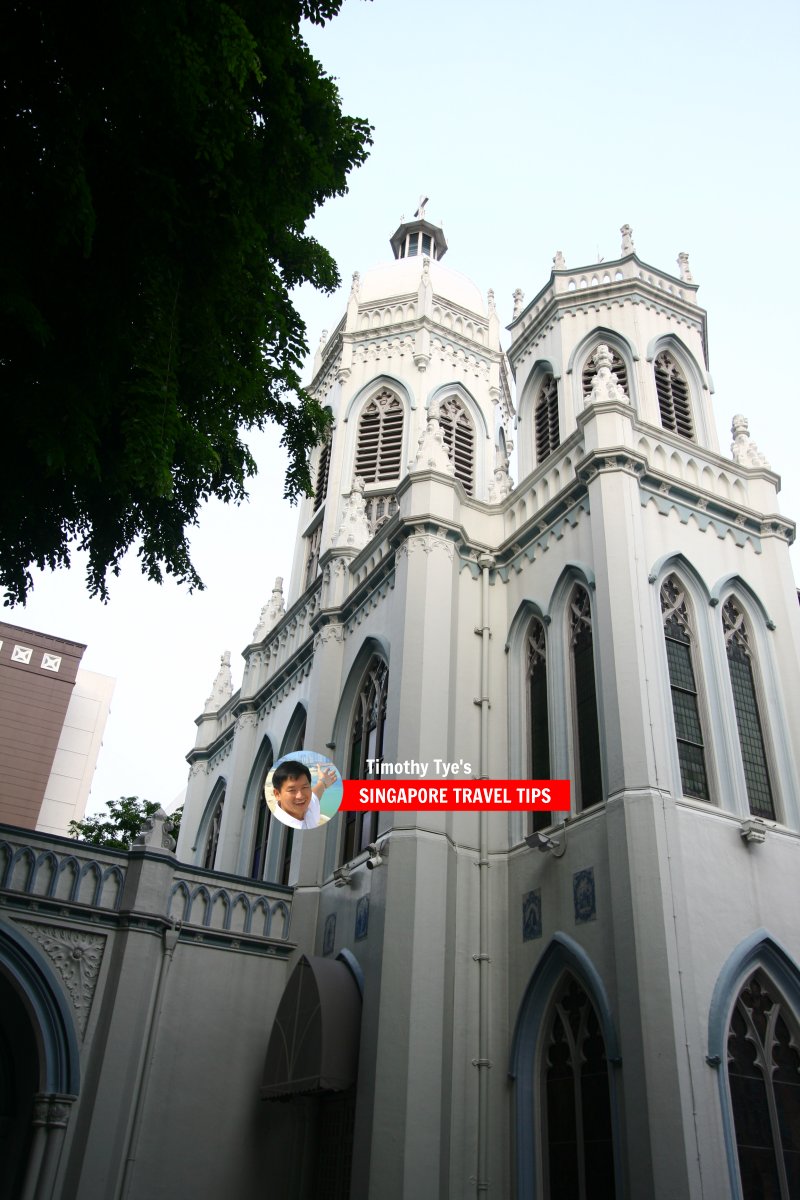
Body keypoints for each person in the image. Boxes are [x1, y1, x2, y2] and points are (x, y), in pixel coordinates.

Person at [269, 760, 338, 830]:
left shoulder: (309, 805)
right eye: (292, 790)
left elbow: (316, 794)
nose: (300, 796)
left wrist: (323, 782)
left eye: (304, 787)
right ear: (277, 794)